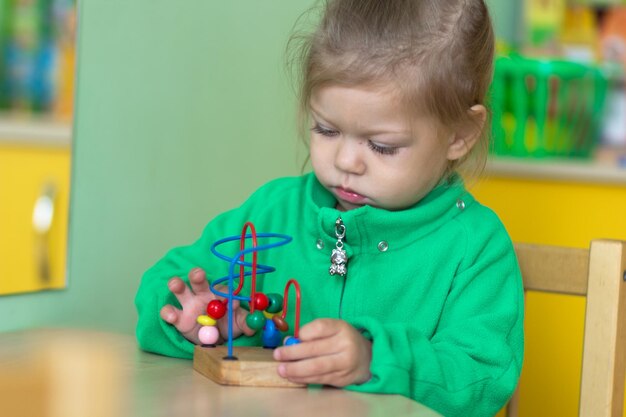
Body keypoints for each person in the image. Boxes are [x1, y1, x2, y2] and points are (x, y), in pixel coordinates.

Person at [135, 1, 524, 416]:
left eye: (382, 146)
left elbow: (481, 376)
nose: (346, 162)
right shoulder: (273, 210)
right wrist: (194, 323)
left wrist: (375, 360)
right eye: (326, 129)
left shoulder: (476, 247)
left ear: (459, 134)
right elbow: (161, 287)